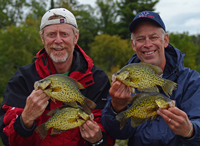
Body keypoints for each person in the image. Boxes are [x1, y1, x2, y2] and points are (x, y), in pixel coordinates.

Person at [0, 8, 114, 146]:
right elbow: (8, 139)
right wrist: (25, 119)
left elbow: (109, 133)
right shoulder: (22, 79)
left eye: (64, 34)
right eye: (51, 34)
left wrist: (97, 140)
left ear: (75, 37)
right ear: (42, 38)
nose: (58, 40)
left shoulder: (98, 79)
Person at [101, 10, 200, 145]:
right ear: (133, 45)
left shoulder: (192, 80)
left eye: (153, 37)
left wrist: (190, 131)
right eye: (140, 39)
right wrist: (116, 107)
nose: (147, 44)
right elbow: (118, 133)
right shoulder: (122, 82)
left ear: (165, 40)